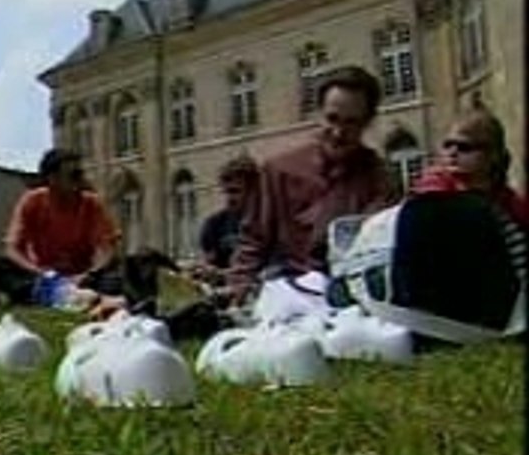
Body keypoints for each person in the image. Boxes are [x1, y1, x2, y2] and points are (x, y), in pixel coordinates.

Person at [228, 65, 393, 302]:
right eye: (332, 119)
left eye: (351, 123)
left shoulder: (379, 176)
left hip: (351, 293)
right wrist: (238, 288)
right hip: (290, 290)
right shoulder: (279, 170)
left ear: (369, 122)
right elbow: (253, 241)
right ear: (318, 113)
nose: (338, 132)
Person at [4, 148, 121, 299]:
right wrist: (42, 272)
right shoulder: (32, 201)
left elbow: (107, 248)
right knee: (9, 278)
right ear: (52, 178)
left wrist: (89, 273)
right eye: (74, 175)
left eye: (81, 174)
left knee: (114, 281)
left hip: (83, 273)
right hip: (43, 272)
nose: (81, 180)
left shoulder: (91, 203)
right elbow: (12, 249)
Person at [413, 107, 528, 228]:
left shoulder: (512, 205)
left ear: (493, 154)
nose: (452, 152)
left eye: (464, 147)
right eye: (447, 145)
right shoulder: (429, 201)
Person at [198, 155, 259, 273]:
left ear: (254, 191)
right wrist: (206, 269)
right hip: (226, 287)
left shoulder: (271, 223)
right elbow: (208, 261)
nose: (229, 198)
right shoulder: (214, 224)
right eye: (226, 192)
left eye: (235, 191)